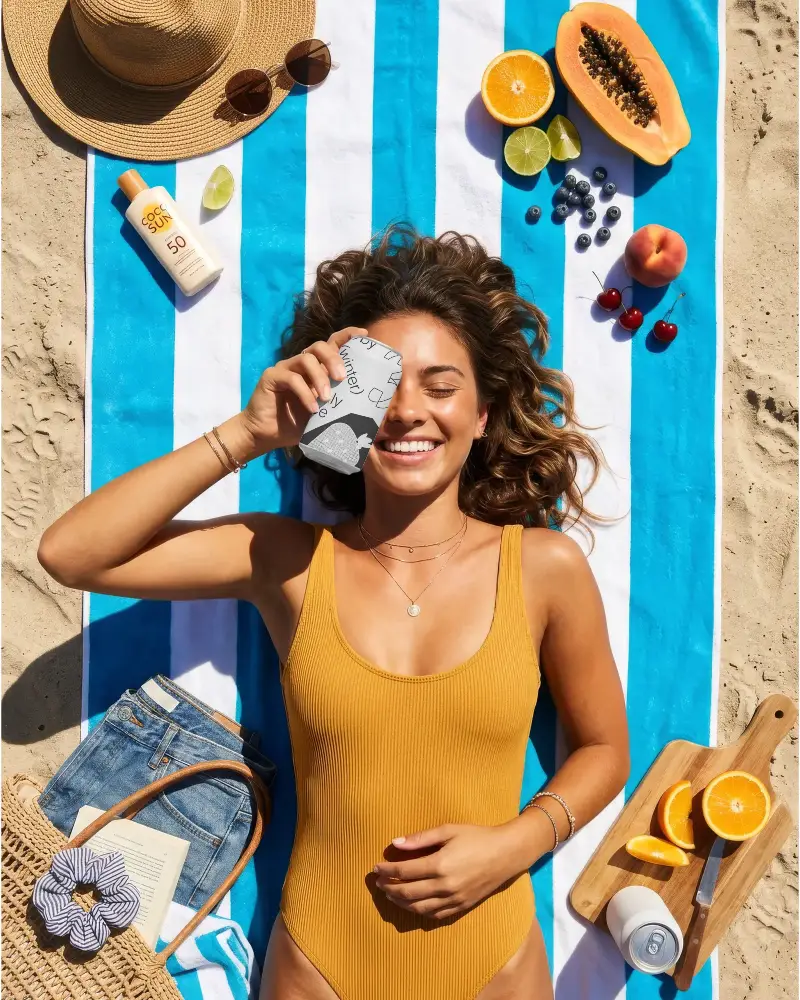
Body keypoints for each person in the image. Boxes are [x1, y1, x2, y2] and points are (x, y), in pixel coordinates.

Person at [38, 227, 630, 1000]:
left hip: (495, 966)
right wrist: (248, 435)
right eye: (379, 388)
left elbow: (604, 749)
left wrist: (515, 845)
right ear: (336, 410)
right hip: (319, 970)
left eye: (441, 387)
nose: (406, 412)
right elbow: (74, 554)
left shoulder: (544, 568)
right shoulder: (286, 560)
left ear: (483, 413)